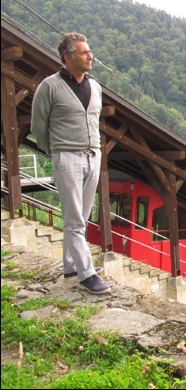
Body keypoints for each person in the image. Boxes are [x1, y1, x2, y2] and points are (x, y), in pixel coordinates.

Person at [31, 32, 110, 294]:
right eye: (85, 52)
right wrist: (56, 152)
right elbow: (38, 126)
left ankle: (71, 266)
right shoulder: (49, 86)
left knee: (82, 217)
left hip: (93, 156)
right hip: (67, 157)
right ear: (68, 57)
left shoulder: (95, 87)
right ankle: (87, 275)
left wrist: (95, 151)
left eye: (90, 51)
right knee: (75, 220)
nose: (91, 56)